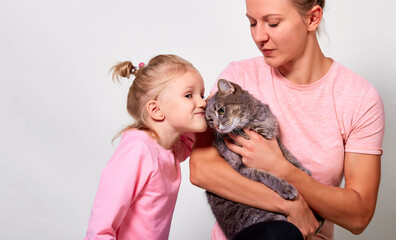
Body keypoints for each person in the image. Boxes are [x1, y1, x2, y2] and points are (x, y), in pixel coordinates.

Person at [190, 0, 385, 239]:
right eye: (252, 23)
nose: (259, 36)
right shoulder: (238, 78)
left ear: (312, 18)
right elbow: (201, 170)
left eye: (273, 23)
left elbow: (359, 215)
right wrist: (290, 205)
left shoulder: (359, 98)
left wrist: (281, 168)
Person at [83, 54, 207, 240]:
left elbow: (191, 142)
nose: (202, 102)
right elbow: (100, 226)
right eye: (189, 95)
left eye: (202, 95)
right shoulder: (138, 149)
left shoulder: (170, 149)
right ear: (156, 110)